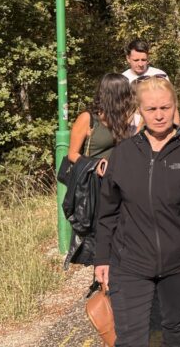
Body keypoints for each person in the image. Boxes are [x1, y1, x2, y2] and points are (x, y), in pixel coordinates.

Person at [94, 76, 180, 347]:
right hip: (129, 262)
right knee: (129, 340)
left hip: (179, 263)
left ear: (176, 106)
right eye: (151, 109)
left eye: (165, 107)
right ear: (139, 110)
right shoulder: (123, 154)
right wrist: (102, 257)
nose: (159, 115)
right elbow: (108, 212)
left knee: (175, 332)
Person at [62, 73, 136, 267]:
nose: (130, 96)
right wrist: (95, 165)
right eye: (126, 92)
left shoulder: (123, 118)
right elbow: (72, 154)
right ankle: (102, 273)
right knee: (100, 230)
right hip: (95, 183)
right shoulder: (88, 118)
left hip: (120, 180)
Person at [122, 38, 180, 126]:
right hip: (131, 130)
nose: (140, 64)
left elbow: (172, 105)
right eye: (136, 60)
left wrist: (177, 130)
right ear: (128, 58)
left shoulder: (160, 75)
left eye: (143, 60)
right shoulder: (122, 79)